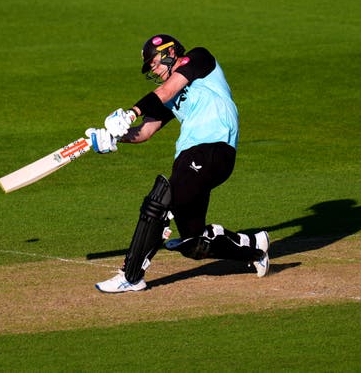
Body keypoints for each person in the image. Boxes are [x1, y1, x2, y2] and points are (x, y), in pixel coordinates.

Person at [85, 34, 270, 293]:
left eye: (155, 63)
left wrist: (130, 112)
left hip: (213, 149)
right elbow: (145, 132)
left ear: (170, 53)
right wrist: (114, 137)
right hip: (188, 158)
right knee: (193, 242)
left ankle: (131, 275)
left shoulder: (200, 58)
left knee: (159, 201)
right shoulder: (171, 99)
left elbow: (165, 91)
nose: (154, 70)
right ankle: (253, 247)